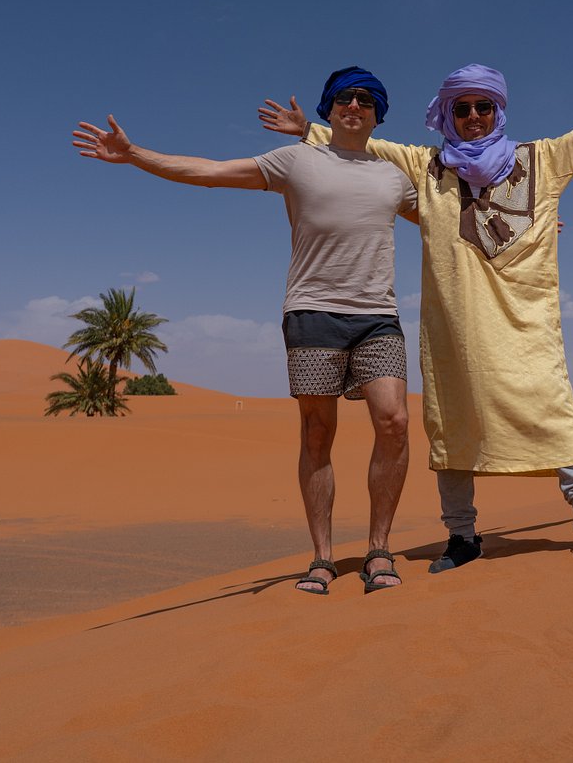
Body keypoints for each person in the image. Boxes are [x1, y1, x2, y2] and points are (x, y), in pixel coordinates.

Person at [263, 65, 573, 570]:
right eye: (462, 108)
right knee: (452, 421)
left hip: (526, 325)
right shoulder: (427, 167)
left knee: (552, 407)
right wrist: (310, 131)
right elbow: (367, 142)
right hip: (454, 329)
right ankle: (461, 534)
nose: (473, 116)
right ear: (448, 115)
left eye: (484, 106)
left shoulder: (544, 158)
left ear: (498, 111)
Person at [71, 67, 417, 595]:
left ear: (379, 114)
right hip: (312, 312)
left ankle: (379, 550)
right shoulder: (296, 160)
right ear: (329, 109)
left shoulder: (394, 176)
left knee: (394, 423)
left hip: (378, 316)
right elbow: (211, 172)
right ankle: (323, 557)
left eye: (366, 100)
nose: (354, 106)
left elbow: (450, 220)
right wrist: (136, 154)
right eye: (344, 98)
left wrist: (521, 230)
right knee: (317, 433)